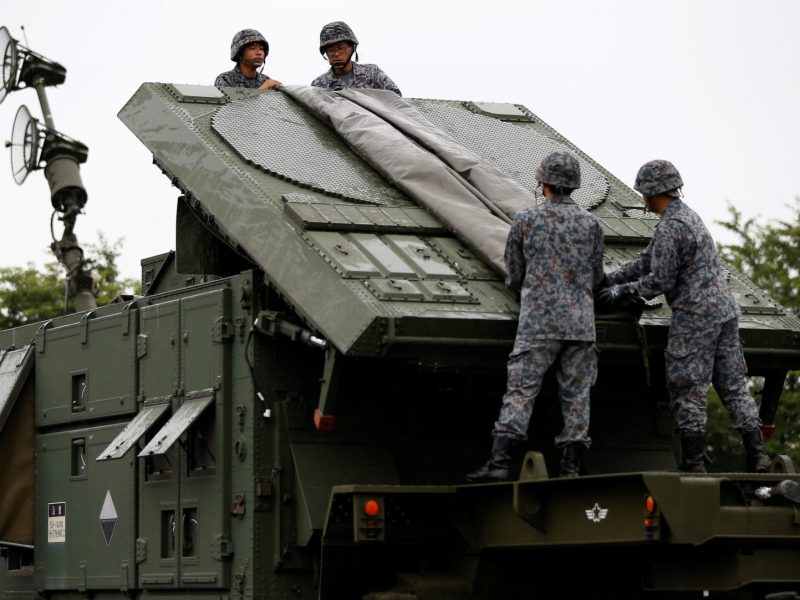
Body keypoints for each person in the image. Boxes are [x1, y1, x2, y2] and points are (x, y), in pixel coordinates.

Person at [597, 160, 770, 473]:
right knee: (733, 386)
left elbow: (658, 280)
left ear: (651, 192)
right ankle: (757, 455)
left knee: (688, 387)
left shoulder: (671, 228)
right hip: (725, 313)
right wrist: (610, 278)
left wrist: (618, 293)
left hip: (695, 317)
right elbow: (647, 261)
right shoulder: (688, 217)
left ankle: (693, 463)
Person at [467, 151, 605, 482]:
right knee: (576, 397)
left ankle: (500, 463)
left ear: (542, 182)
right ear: (574, 186)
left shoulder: (527, 221)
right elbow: (597, 277)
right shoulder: (591, 224)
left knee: (521, 391)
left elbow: (514, 273)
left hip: (538, 325)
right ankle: (571, 468)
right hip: (581, 325)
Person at [311, 21, 401, 95]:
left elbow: (396, 99)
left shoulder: (372, 73)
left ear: (352, 48)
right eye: (331, 50)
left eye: (341, 48)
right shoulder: (319, 85)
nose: (336, 53)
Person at [215, 29, 282, 90]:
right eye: (252, 48)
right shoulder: (226, 79)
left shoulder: (265, 80)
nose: (259, 53)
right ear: (240, 53)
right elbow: (229, 103)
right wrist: (261, 90)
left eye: (261, 49)